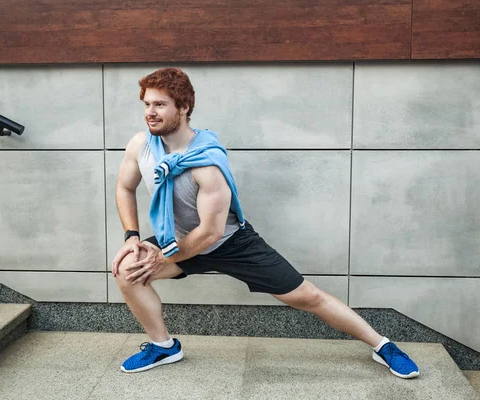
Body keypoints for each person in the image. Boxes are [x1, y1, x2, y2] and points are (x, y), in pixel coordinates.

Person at [112, 67, 419, 379]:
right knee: (127, 269)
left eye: (160, 105)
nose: (150, 113)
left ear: (184, 107)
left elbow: (211, 232)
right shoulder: (141, 146)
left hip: (228, 243)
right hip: (174, 239)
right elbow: (125, 187)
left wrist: (161, 257)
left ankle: (383, 346)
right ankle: (164, 346)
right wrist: (132, 237)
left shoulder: (206, 163)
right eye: (147, 105)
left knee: (307, 296)